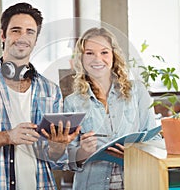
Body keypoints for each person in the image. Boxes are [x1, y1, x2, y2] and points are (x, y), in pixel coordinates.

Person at [0, 2, 80, 190]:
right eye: (16, 31)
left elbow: (56, 160)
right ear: (3, 35)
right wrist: (8, 136)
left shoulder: (50, 90)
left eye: (30, 32)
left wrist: (58, 146)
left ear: (36, 40)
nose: (22, 38)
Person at [64, 27, 159, 190]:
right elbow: (68, 159)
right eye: (89, 53)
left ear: (114, 56)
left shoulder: (136, 91)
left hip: (135, 181)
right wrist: (83, 152)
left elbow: (154, 138)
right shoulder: (72, 102)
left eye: (104, 52)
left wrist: (133, 153)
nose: (97, 59)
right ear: (81, 58)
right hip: (92, 184)